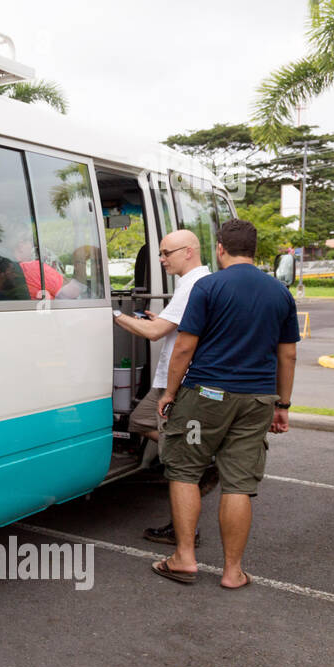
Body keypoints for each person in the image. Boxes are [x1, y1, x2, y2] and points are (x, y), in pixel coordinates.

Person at [151, 219, 299, 589]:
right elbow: (288, 356)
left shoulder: (208, 286)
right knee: (238, 483)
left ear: (220, 248)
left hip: (206, 396)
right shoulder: (279, 292)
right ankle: (233, 572)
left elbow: (184, 347)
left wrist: (170, 393)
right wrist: (283, 404)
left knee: (185, 470)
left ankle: (184, 558)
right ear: (254, 249)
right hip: (257, 400)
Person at [111, 229, 213, 544]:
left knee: (181, 466)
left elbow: (155, 333)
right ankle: (194, 452)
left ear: (188, 252)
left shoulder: (192, 285)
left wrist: (115, 314)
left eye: (166, 253)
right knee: (142, 420)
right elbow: (170, 325)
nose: (161, 259)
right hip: (172, 381)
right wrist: (161, 319)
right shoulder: (194, 284)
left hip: (177, 383)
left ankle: (184, 529)